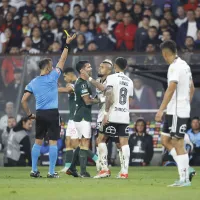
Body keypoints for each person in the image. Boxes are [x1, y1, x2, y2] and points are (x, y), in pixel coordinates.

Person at [21, 33, 76, 178]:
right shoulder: (53, 76)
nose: (53, 68)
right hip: (52, 114)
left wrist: (29, 114)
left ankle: (34, 170)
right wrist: (67, 44)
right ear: (47, 69)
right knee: (53, 142)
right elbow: (63, 59)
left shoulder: (33, 82)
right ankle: (51, 172)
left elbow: (23, 100)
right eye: (51, 66)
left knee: (37, 142)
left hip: (39, 114)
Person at [155, 40, 195, 187]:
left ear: (165, 54)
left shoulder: (174, 67)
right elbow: (192, 89)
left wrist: (160, 109)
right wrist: (186, 103)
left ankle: (184, 179)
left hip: (177, 110)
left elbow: (171, 88)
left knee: (178, 143)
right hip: (175, 109)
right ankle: (187, 170)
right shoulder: (185, 66)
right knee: (166, 140)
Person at [96, 57, 133, 178]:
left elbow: (109, 95)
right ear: (126, 67)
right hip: (124, 115)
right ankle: (124, 172)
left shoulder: (111, 78)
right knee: (124, 143)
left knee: (100, 140)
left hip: (112, 114)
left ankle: (105, 169)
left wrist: (106, 113)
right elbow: (129, 100)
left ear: (115, 67)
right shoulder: (130, 81)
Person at [66, 61, 102, 178]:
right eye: (88, 67)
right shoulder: (82, 84)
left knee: (82, 142)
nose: (90, 68)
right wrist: (100, 100)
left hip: (80, 115)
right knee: (85, 143)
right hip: (82, 116)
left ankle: (71, 168)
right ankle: (83, 171)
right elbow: (87, 101)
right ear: (82, 70)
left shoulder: (83, 82)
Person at [58, 68, 79, 173]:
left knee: (76, 144)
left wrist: (52, 88)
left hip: (77, 117)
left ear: (70, 75)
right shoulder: (71, 84)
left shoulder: (77, 83)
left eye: (65, 77)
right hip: (72, 117)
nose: (65, 79)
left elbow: (68, 90)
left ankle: (96, 159)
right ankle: (68, 166)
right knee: (68, 141)